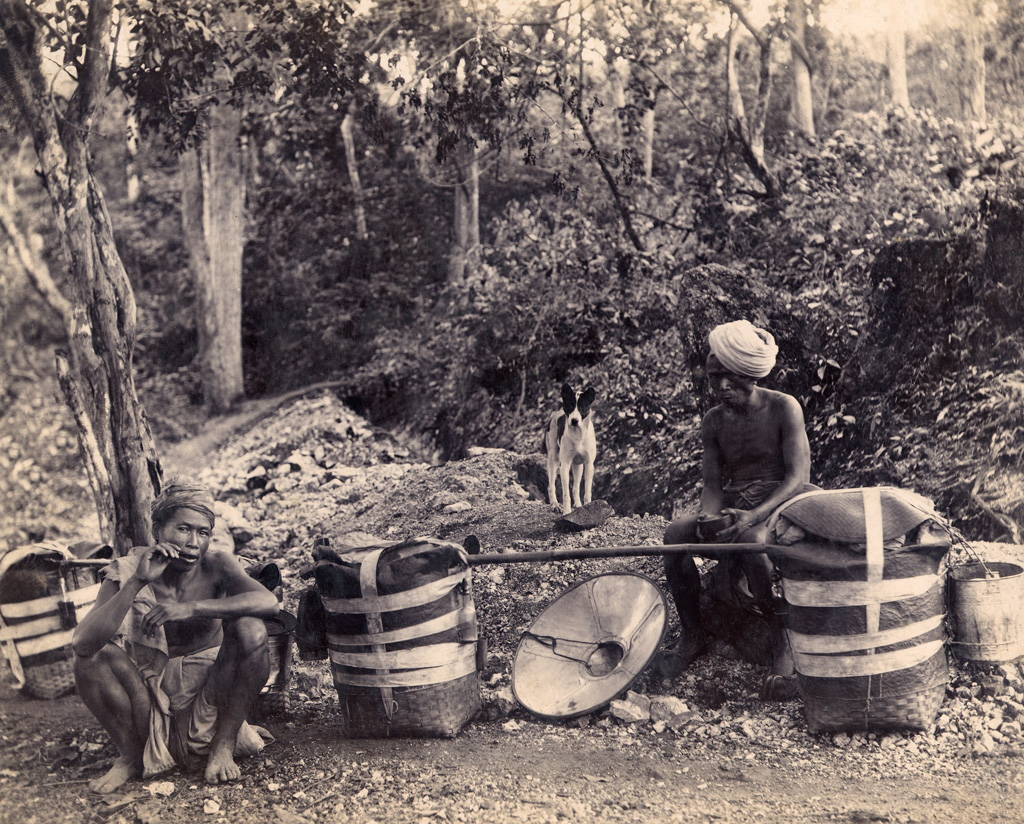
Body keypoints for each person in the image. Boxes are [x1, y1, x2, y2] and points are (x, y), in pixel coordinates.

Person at [72, 478, 279, 793]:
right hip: (149, 704)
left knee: (251, 628)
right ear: (157, 532)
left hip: (210, 701)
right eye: (183, 529)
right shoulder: (128, 569)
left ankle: (222, 747)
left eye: (203, 532)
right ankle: (131, 756)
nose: (194, 542)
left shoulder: (217, 563)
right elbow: (82, 644)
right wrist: (136, 582)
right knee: (94, 657)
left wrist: (192, 607)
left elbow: (269, 602)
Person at [662, 320, 817, 700]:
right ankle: (694, 631)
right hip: (737, 502)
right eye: (714, 379)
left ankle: (781, 636)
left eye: (727, 379)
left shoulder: (784, 408)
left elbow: (797, 478)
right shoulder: (714, 421)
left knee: (751, 540)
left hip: (783, 502)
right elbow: (713, 485)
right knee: (675, 536)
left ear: (748, 374)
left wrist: (754, 515)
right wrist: (707, 518)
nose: (719, 388)